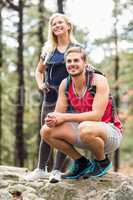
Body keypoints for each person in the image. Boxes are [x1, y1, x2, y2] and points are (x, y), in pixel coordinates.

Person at [40, 46, 123, 180]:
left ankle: (102, 162)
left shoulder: (98, 80)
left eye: (76, 61)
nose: (72, 64)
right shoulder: (65, 84)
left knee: (85, 127)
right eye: (69, 61)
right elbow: (58, 115)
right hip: (85, 131)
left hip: (110, 133)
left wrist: (64, 117)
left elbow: (96, 116)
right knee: (46, 131)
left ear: (84, 63)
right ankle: (81, 163)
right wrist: (52, 119)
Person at [25, 13, 80, 183]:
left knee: (63, 134)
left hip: (69, 98)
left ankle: (56, 171)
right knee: (46, 132)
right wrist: (40, 84)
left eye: (60, 23)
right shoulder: (48, 49)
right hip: (50, 97)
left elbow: (82, 70)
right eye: (53, 24)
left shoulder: (77, 47)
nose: (56, 26)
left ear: (68, 26)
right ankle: (41, 169)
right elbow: (38, 71)